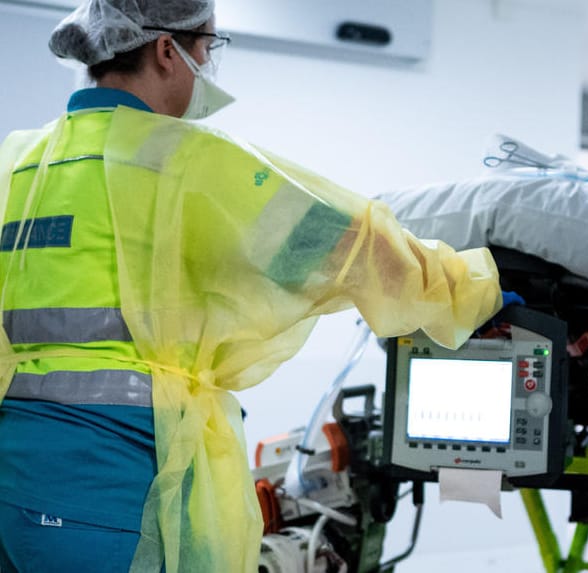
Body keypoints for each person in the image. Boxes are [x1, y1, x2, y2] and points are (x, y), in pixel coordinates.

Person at [0, 1, 517, 571]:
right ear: (168, 50)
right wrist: (475, 291)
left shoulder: (17, 162)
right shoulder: (184, 162)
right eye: (208, 47)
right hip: (120, 493)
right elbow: (356, 250)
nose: (208, 64)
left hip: (16, 484)